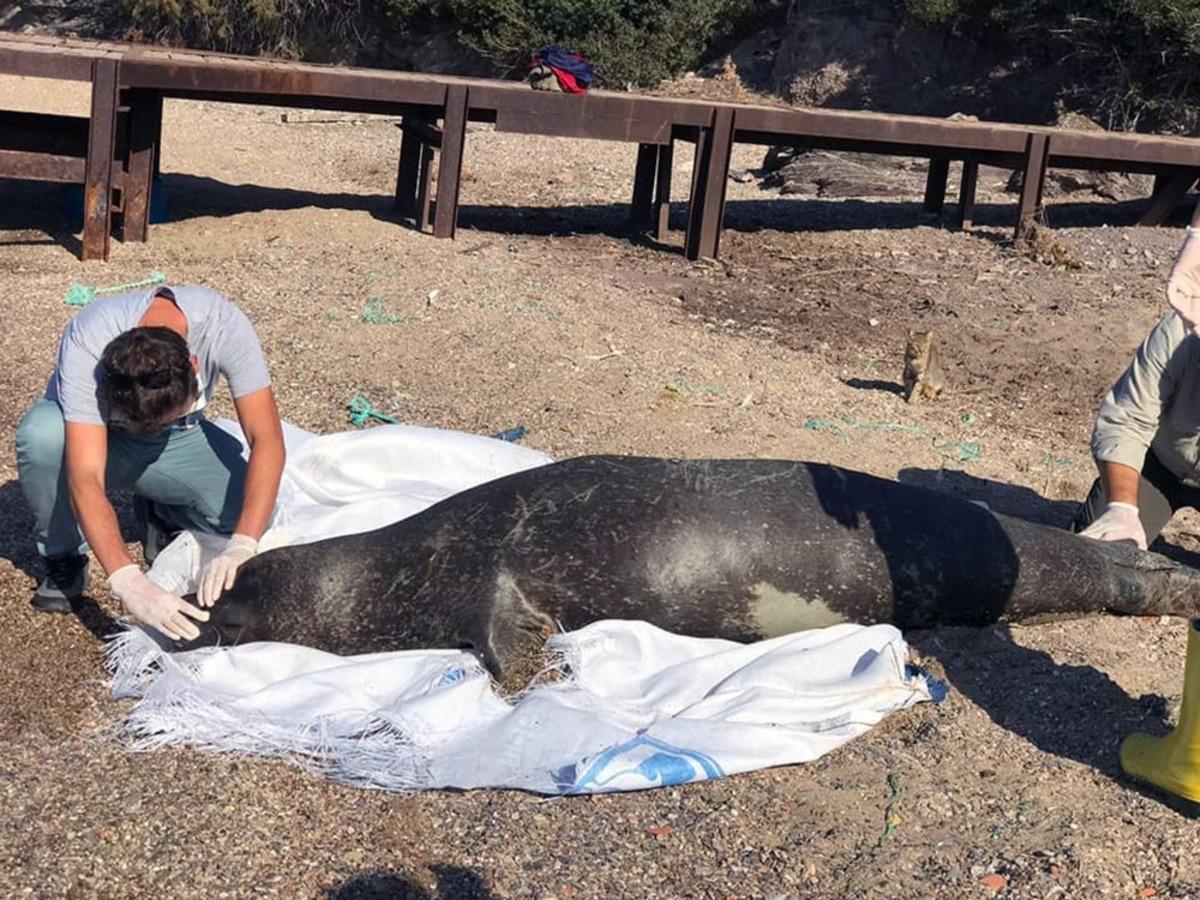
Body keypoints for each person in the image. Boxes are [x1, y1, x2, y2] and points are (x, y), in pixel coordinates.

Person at [14, 284, 285, 642]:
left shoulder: (224, 326)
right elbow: (86, 474)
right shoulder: (89, 336)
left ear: (192, 364)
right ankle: (64, 555)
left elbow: (267, 439)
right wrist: (127, 581)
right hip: (98, 439)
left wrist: (242, 544)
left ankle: (161, 507)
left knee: (253, 514)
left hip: (176, 441)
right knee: (43, 437)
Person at [1073, 211, 1200, 816]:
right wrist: (1124, 507)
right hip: (1167, 465)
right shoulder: (1180, 332)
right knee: (1097, 557)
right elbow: (1126, 418)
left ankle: (1191, 763)